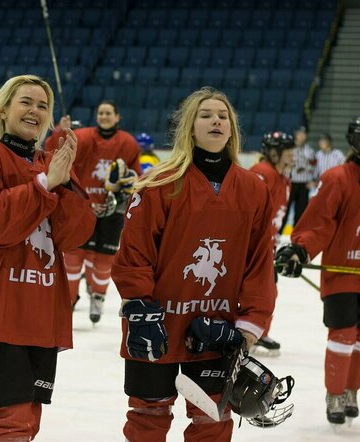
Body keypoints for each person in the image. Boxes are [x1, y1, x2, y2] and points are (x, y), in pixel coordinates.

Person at [112, 87, 278, 441]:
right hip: (156, 323)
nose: (216, 120)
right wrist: (138, 306)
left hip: (218, 329)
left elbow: (259, 262)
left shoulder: (254, 189)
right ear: (190, 126)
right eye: (206, 115)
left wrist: (249, 327)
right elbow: (134, 252)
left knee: (212, 422)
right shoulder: (160, 183)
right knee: (148, 417)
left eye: (223, 116)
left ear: (232, 129)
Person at [0, 74, 95, 440]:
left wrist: (63, 182)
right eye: (26, 102)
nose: (35, 110)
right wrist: (46, 184)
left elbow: (75, 234)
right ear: (3, 109)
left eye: (43, 105)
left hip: (41, 315)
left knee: (28, 424)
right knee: (10, 426)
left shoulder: (50, 162)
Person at [276, 115, 360, 425]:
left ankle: (351, 391)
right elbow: (320, 221)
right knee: (342, 336)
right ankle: (335, 393)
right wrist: (300, 248)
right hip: (344, 273)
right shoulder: (338, 177)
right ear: (359, 142)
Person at [46, 101, 142, 324]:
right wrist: (61, 130)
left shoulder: (128, 143)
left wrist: (125, 189)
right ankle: (67, 301)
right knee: (73, 256)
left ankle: (97, 296)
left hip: (111, 211)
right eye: (101, 113)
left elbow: (135, 176)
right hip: (82, 207)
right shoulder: (82, 136)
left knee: (104, 261)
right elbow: (54, 151)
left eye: (109, 113)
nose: (104, 116)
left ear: (117, 117)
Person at [248, 131, 295, 355]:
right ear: (275, 154)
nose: (293, 156)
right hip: (252, 246)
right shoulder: (262, 173)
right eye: (288, 152)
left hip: (267, 246)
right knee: (258, 290)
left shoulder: (284, 178)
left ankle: (258, 331)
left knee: (268, 289)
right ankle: (253, 332)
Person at [281, 126, 316, 232]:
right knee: (284, 210)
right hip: (290, 183)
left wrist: (313, 179)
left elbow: (314, 164)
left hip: (303, 184)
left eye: (303, 134)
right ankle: (278, 233)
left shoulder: (309, 149)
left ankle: (297, 235)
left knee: (300, 212)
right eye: (300, 133)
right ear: (296, 134)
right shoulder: (289, 148)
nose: (301, 136)